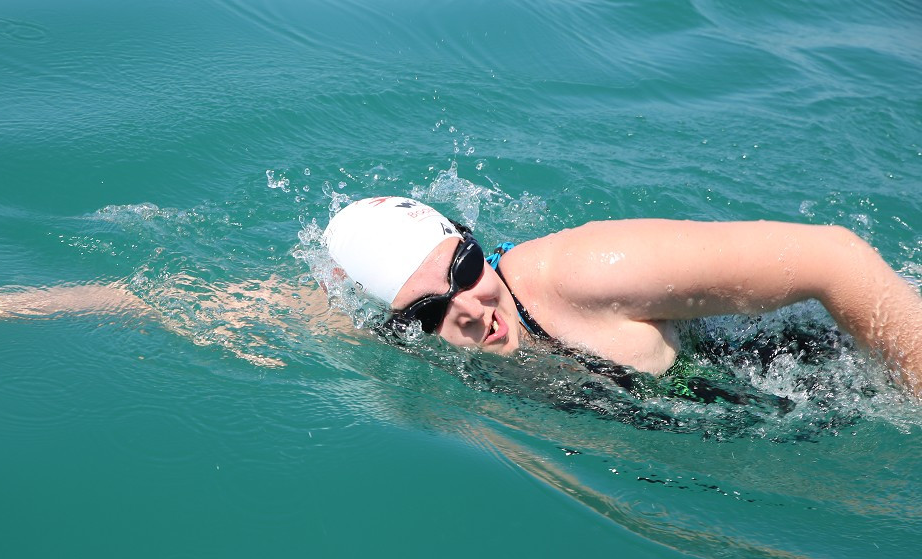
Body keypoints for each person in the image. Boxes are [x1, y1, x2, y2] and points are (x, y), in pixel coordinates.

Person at [322, 196, 922, 398]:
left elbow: (833, 257)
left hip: (829, 377)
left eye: (467, 267)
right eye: (430, 310)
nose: (470, 308)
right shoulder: (407, 339)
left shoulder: (585, 275)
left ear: (475, 243)